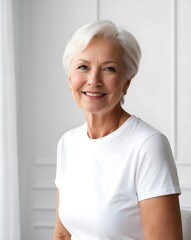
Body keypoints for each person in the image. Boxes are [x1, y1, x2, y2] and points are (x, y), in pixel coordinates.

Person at [53, 20, 183, 240]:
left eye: (109, 69)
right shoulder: (68, 143)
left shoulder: (148, 145)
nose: (93, 80)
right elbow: (62, 235)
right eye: (83, 67)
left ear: (126, 82)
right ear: (70, 78)